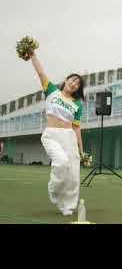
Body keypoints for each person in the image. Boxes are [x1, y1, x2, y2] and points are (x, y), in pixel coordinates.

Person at [29, 51, 85, 216]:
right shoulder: (51, 90)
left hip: (69, 137)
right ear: (66, 80)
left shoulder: (77, 105)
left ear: (78, 89)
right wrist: (32, 54)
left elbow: (77, 129)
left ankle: (67, 205)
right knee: (61, 163)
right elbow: (41, 72)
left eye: (78, 84)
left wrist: (82, 151)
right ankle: (54, 190)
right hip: (52, 135)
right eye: (73, 79)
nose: (74, 83)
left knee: (73, 174)